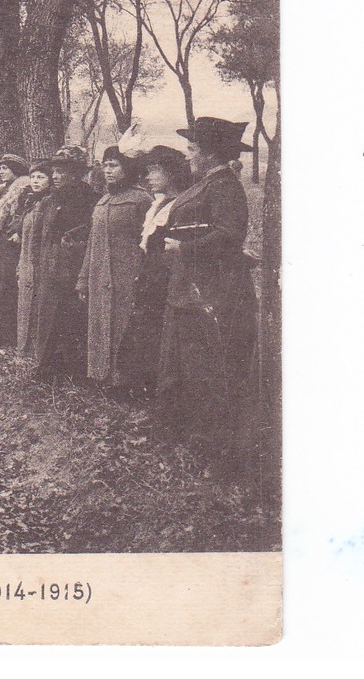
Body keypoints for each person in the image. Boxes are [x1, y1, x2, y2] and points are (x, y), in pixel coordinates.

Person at [157, 118, 259, 477]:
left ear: (210, 154)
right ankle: (201, 447)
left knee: (216, 374)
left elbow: (229, 235)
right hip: (196, 291)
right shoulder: (210, 184)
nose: (188, 157)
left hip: (215, 294)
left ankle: (224, 459)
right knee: (196, 373)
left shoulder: (224, 186)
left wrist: (184, 249)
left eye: (192, 150)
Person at [114, 145, 190, 395]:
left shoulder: (180, 205)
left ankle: (154, 389)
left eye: (154, 171)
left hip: (167, 279)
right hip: (150, 277)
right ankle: (138, 386)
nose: (148, 178)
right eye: (147, 172)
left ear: (171, 172)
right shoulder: (157, 204)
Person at [78, 146, 155, 387]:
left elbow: (149, 242)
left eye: (114, 165)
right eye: (105, 165)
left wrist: (141, 275)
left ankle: (124, 381)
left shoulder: (141, 199)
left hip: (127, 276)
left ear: (128, 168)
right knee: (100, 323)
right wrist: (83, 278)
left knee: (123, 325)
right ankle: (100, 375)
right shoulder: (103, 199)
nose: (108, 170)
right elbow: (92, 242)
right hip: (99, 275)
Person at [32, 148, 98, 382]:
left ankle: (72, 370)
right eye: (54, 171)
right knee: (50, 316)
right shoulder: (51, 200)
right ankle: (48, 366)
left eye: (62, 171)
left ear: (76, 173)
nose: (56, 176)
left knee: (73, 318)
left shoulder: (90, 200)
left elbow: (92, 236)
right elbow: (41, 236)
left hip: (75, 269)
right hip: (52, 268)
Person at [0, 154, 32, 347]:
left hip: (11, 246)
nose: (1, 172)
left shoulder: (23, 189)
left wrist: (14, 231)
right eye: (0, 168)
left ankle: (8, 335)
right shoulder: (2, 190)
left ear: (16, 170)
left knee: (7, 288)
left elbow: (23, 216)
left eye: (5, 168)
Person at [15, 161, 52, 355]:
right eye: (33, 177)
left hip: (40, 264)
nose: (35, 181)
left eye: (41, 177)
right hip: (26, 261)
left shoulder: (49, 203)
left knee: (38, 307)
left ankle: (36, 350)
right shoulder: (30, 202)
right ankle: (24, 348)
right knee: (25, 305)